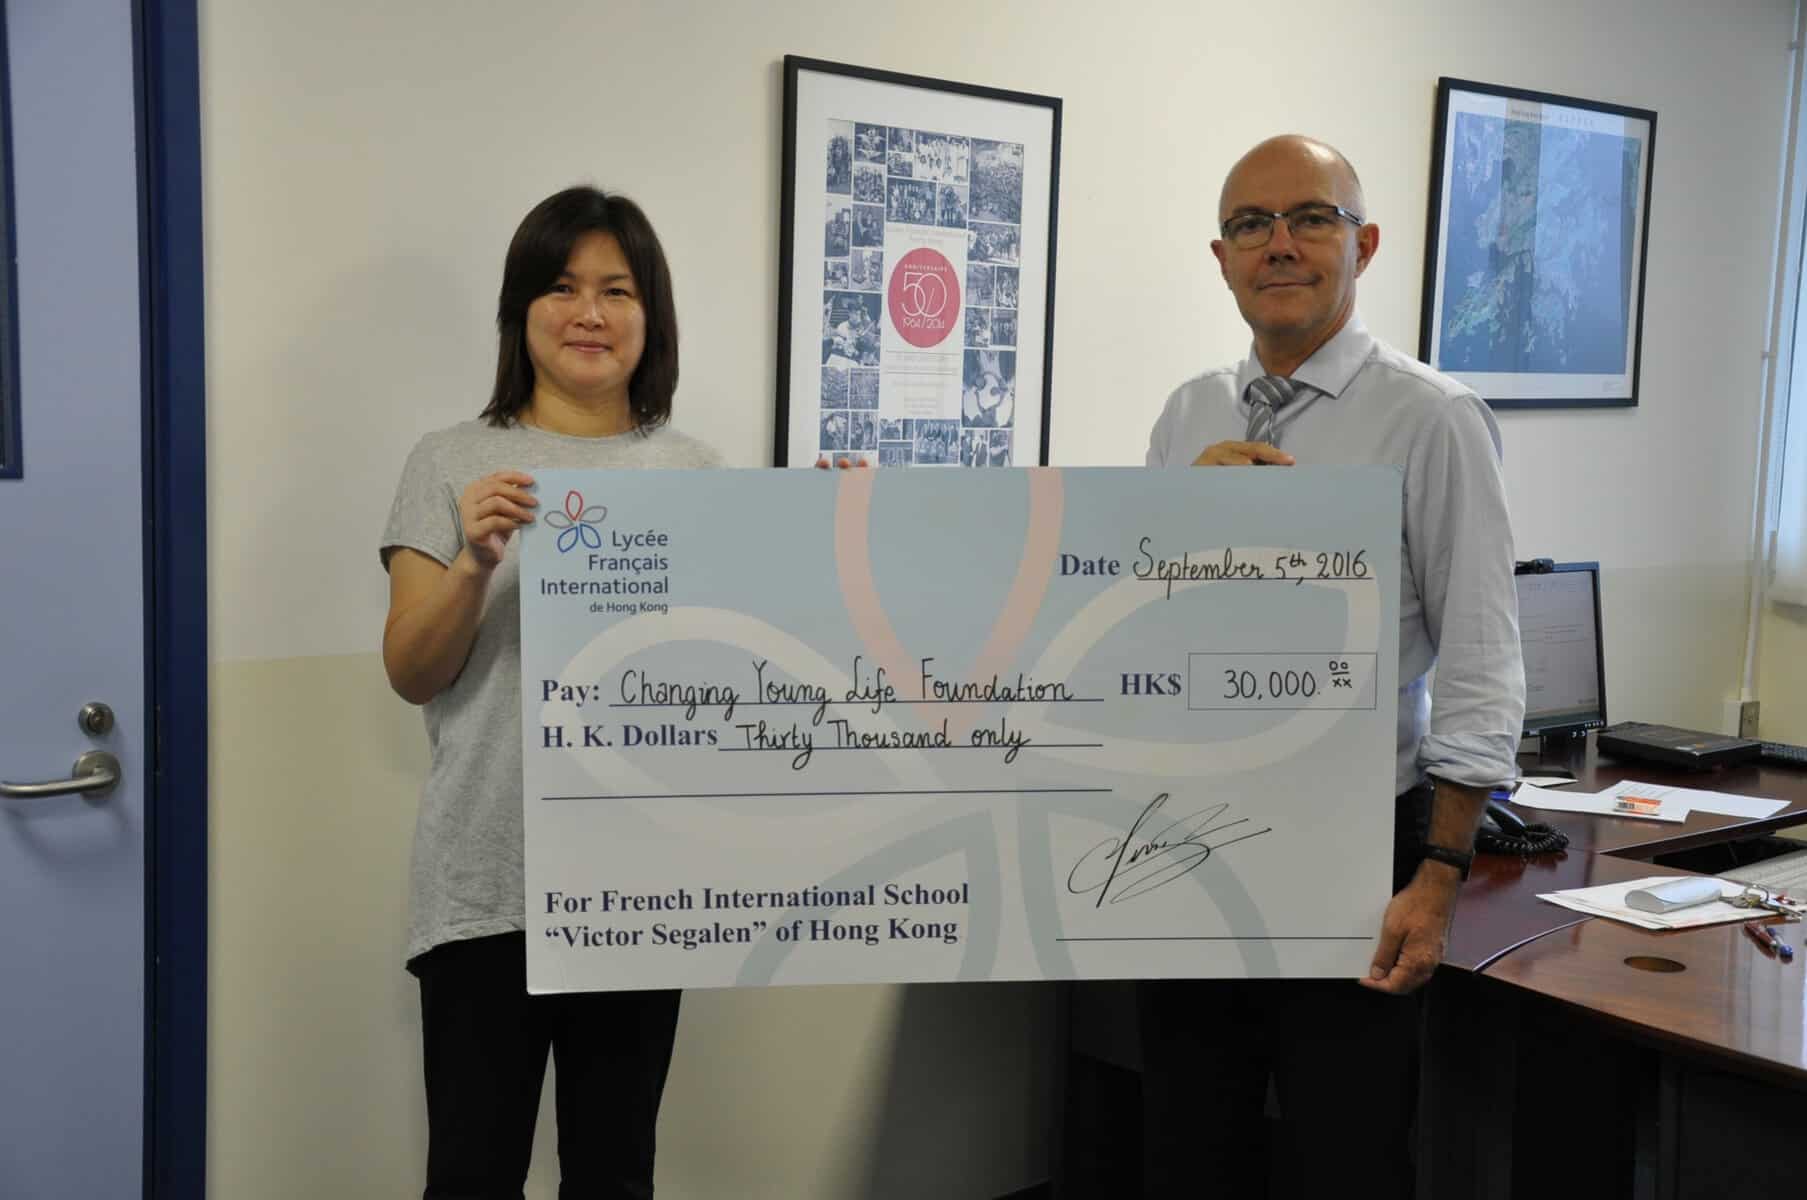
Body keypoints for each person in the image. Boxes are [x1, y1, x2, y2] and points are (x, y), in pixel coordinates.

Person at [1140, 135, 1525, 1196]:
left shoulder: (1431, 417)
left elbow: (1482, 656)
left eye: (1309, 218)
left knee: (1344, 1153)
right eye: (1249, 225)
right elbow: (1137, 632)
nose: (1278, 244)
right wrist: (1174, 526)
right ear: (1220, 258)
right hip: (1186, 836)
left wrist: (1437, 878)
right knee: (1186, 1146)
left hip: (1354, 845)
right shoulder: (1186, 414)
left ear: (1365, 244)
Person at [380, 186, 722, 1199]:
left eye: (617, 290)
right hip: (486, 884)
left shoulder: (698, 474)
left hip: (638, 882)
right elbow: (411, 672)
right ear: (519, 309)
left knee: (615, 1173)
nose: (589, 313)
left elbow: (740, 676)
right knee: (471, 1173)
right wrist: (473, 565)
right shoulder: (451, 461)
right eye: (562, 287)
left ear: (650, 315)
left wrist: (838, 527)